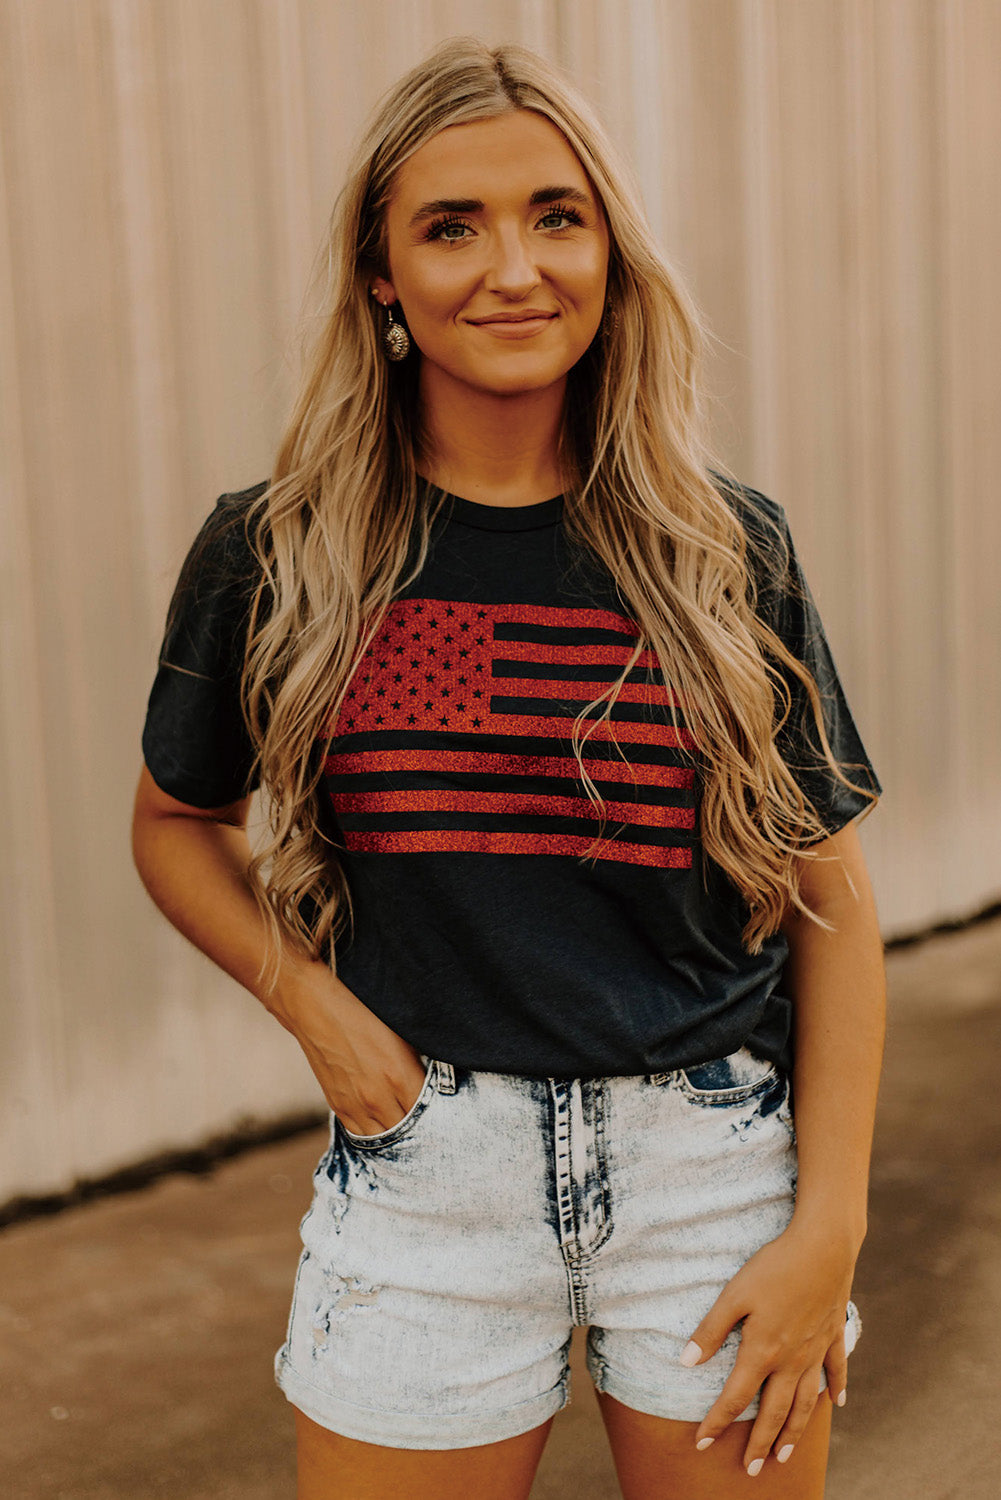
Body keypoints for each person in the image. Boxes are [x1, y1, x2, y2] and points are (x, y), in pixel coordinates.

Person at [132, 36, 885, 1500]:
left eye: (556, 215)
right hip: (427, 1178)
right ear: (380, 277)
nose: (514, 268)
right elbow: (175, 823)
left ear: (609, 252)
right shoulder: (278, 549)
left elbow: (829, 888)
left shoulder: (722, 550)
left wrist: (828, 1227)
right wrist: (331, 1031)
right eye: (450, 226)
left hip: (710, 1169)